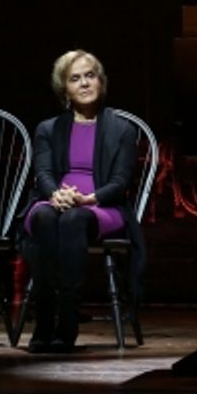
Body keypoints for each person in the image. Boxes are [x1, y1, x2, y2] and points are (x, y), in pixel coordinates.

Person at [21, 50, 143, 353]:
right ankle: (44, 320)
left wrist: (89, 199)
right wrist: (55, 194)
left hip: (103, 205)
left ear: (101, 81)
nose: (85, 83)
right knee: (45, 217)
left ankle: (67, 324)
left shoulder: (122, 129)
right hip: (57, 199)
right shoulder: (48, 129)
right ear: (65, 89)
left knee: (75, 219)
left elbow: (120, 182)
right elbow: (44, 173)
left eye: (90, 75)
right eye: (75, 78)